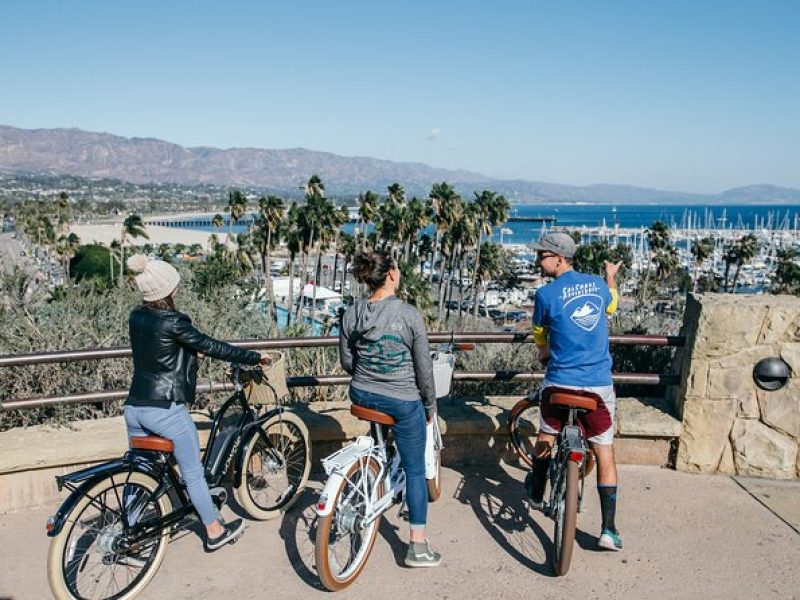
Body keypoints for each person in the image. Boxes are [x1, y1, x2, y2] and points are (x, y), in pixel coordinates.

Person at [124, 253, 268, 551]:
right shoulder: (174, 321)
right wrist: (255, 357)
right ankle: (215, 530)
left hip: (135, 407)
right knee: (192, 472)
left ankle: (130, 529)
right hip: (165, 410)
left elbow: (158, 351)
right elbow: (211, 345)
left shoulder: (136, 316)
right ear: (168, 289)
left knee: (140, 469)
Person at [339, 249, 441, 568]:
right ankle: (418, 547)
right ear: (392, 274)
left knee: (382, 443)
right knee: (414, 469)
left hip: (362, 395)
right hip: (401, 399)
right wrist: (430, 405)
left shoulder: (352, 312)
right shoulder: (408, 314)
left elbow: (346, 361)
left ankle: (376, 476)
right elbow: (424, 369)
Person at [525, 232, 624, 552]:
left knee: (546, 435)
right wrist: (610, 277)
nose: (538, 260)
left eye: (542, 255)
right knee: (604, 454)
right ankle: (608, 530)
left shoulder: (546, 295)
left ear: (559, 258)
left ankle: (537, 490)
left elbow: (539, 332)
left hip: (559, 383)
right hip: (597, 386)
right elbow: (611, 305)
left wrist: (543, 350)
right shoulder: (597, 285)